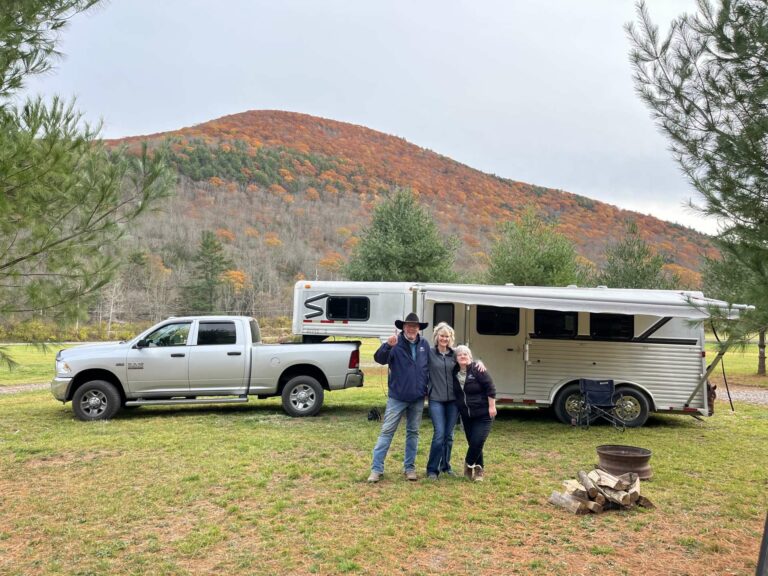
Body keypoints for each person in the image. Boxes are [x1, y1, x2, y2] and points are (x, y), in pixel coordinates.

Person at [367, 312, 430, 483]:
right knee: (387, 432)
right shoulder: (395, 343)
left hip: (417, 398)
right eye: (408, 326)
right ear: (403, 327)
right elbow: (379, 359)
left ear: (419, 328)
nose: (412, 329)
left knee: (413, 433)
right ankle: (376, 469)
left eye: (415, 326)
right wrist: (387, 345)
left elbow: (430, 367)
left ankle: (409, 468)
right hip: (397, 398)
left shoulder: (424, 344)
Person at [452, 344, 496, 482]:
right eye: (460, 355)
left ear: (470, 357)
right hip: (467, 415)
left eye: (465, 354)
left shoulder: (477, 369)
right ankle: (479, 470)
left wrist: (492, 407)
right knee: (473, 443)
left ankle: (468, 464)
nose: (462, 356)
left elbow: (490, 388)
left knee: (478, 441)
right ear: (456, 358)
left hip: (483, 414)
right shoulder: (454, 372)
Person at [425, 322, 459, 480]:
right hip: (436, 399)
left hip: (453, 401)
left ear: (451, 338)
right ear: (436, 336)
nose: (444, 339)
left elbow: (468, 362)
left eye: (447, 336)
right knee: (439, 434)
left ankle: (445, 466)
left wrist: (480, 364)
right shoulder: (430, 353)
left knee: (449, 435)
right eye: (442, 336)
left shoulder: (455, 354)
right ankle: (432, 469)